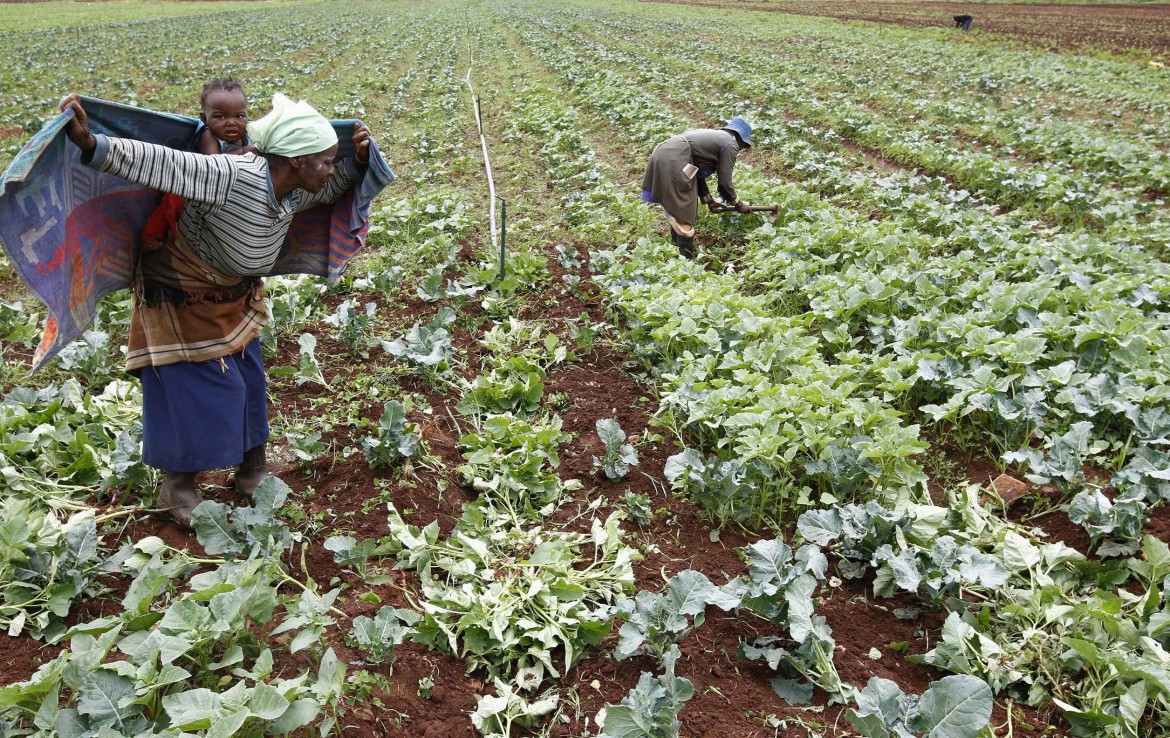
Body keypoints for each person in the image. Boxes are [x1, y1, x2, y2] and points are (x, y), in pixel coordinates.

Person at [58, 91, 374, 526]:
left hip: (232, 293)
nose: (330, 168)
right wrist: (92, 145)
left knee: (248, 380)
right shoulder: (229, 176)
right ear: (296, 159)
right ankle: (177, 486)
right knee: (203, 392)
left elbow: (333, 186)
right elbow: (163, 164)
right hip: (179, 292)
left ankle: (251, 470)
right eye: (325, 160)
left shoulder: (296, 188)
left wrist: (357, 162)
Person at [140, 78, 256, 252]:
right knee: (172, 201)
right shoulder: (208, 135)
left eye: (239, 116)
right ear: (204, 118)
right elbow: (214, 163)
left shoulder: (246, 136)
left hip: (227, 185)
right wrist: (244, 153)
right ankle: (150, 235)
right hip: (192, 180)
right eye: (220, 116)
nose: (231, 122)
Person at [641, 116, 753, 259]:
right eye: (743, 146)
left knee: (681, 204)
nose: (741, 149)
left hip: (668, 153)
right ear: (742, 140)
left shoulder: (717, 138)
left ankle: (677, 248)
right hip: (675, 158)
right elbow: (725, 183)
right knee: (683, 204)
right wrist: (738, 203)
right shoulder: (731, 144)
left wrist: (709, 200)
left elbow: (696, 173)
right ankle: (687, 261)